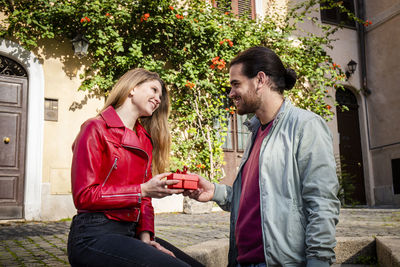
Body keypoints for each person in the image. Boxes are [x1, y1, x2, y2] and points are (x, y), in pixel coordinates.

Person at [185, 47, 340, 267]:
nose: (231, 93)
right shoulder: (255, 130)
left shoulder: (306, 126)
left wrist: (318, 261)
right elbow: (260, 200)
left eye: (236, 84)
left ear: (260, 80)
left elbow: (322, 204)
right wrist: (214, 191)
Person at [68, 68, 204, 267]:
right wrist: (141, 190)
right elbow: (84, 196)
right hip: (93, 235)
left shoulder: (144, 140)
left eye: (160, 95)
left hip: (131, 233)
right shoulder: (94, 128)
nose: (158, 99)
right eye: (154, 90)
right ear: (132, 88)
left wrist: (146, 237)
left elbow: (145, 201)